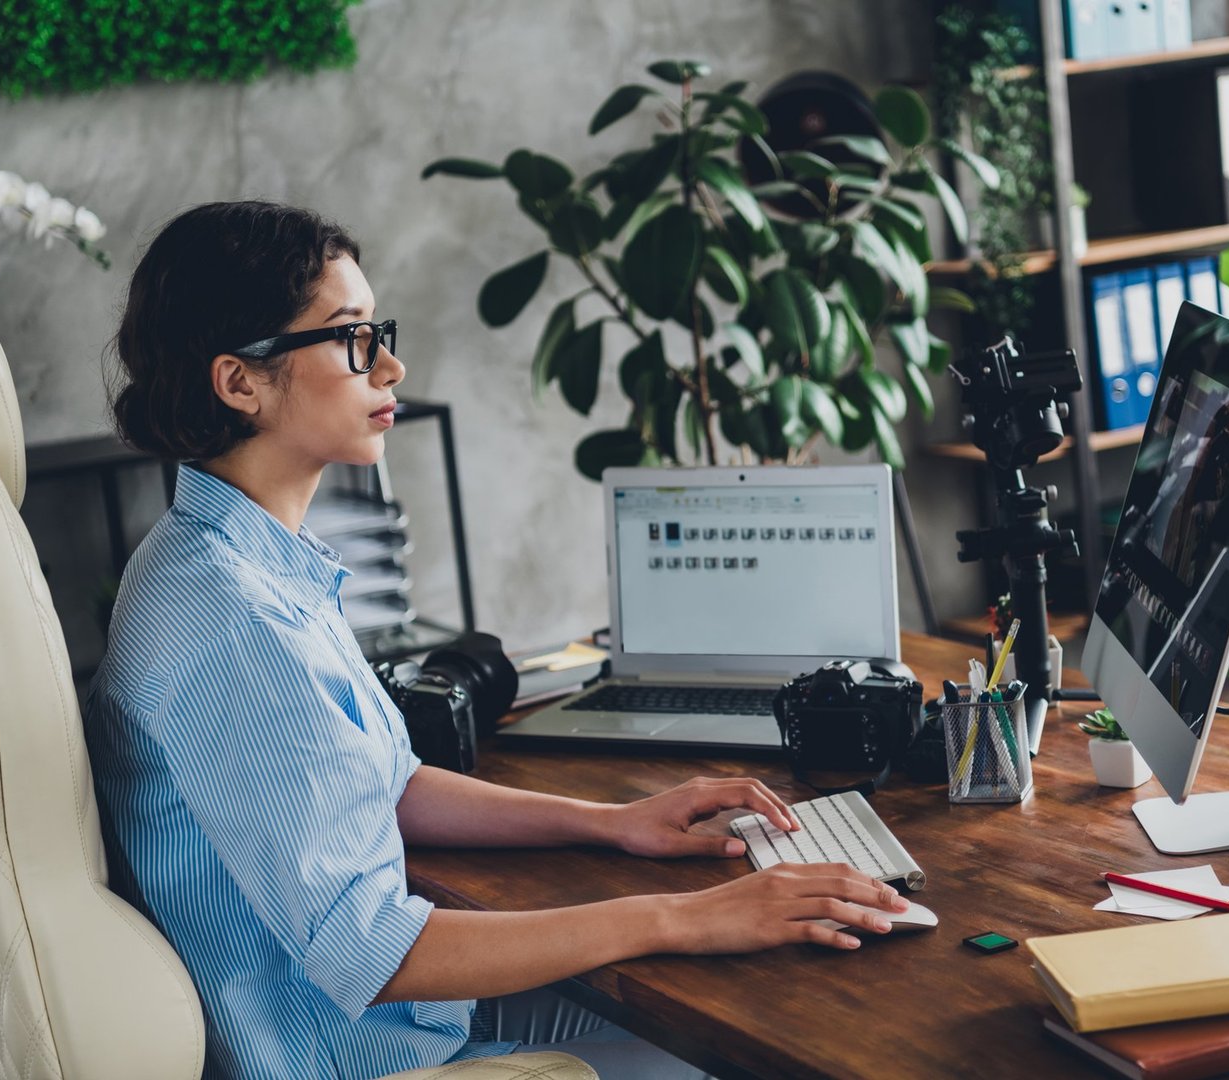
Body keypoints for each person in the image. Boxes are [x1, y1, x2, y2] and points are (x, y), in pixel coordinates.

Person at [84, 200, 908, 1080]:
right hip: (356, 1050)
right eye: (352, 338)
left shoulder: (233, 559)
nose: (391, 365)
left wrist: (614, 825)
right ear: (240, 382)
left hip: (394, 1020)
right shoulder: (231, 616)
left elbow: (383, 784)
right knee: (769, 1033)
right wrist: (687, 914)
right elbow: (372, 952)